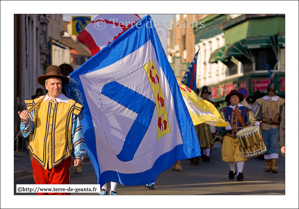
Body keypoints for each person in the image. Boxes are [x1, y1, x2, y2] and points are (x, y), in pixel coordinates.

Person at [18, 65, 86, 195]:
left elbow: (76, 131)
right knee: (42, 193)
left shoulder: (71, 106)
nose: (56, 86)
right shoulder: (35, 104)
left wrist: (78, 154)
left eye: (58, 83)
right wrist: (25, 121)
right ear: (46, 86)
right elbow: (27, 132)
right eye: (52, 84)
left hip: (62, 156)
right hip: (38, 156)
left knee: (59, 193)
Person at [217, 90, 259, 181]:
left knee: (241, 155)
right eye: (233, 97)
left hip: (241, 137)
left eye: (236, 97)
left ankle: (240, 173)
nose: (235, 98)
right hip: (228, 136)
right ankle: (232, 170)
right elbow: (221, 121)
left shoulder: (246, 109)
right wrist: (225, 125)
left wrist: (255, 123)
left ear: (239, 99)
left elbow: (251, 120)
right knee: (229, 154)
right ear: (229, 100)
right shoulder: (224, 110)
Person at [251, 82, 285, 173]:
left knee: (274, 143)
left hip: (275, 125)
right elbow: (255, 112)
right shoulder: (261, 101)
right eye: (269, 91)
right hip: (264, 125)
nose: (271, 92)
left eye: (272, 91)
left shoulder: (280, 101)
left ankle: (274, 165)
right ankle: (268, 165)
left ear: (274, 91)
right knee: (265, 144)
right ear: (267, 91)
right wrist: (256, 121)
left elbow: (284, 113)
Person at [59, 63, 84, 175]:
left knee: (75, 139)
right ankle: (67, 165)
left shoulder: (72, 87)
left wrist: (76, 112)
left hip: (71, 116)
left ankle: (79, 163)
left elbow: (78, 101)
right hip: (60, 117)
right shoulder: (57, 85)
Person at [192, 86, 214, 164]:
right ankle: (204, 154)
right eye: (204, 94)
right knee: (202, 138)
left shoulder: (211, 102)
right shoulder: (199, 102)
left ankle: (207, 155)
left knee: (208, 138)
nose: (205, 95)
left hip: (209, 122)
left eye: (206, 94)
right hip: (201, 122)